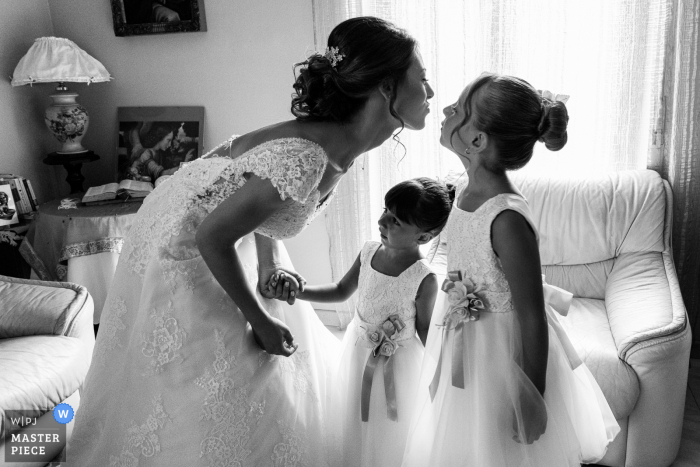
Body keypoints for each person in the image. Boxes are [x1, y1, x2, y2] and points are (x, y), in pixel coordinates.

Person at [67, 16, 434, 467]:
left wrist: (268, 264)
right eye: (423, 79)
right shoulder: (308, 156)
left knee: (266, 348)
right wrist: (258, 321)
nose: (431, 94)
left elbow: (256, 199)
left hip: (205, 224)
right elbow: (213, 234)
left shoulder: (341, 143)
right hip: (181, 242)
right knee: (208, 368)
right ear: (386, 88)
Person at [401, 73, 619, 466]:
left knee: (500, 448)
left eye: (458, 108)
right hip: (465, 340)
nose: (447, 110)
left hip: (503, 353)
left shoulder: (505, 217)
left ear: (478, 140)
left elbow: (533, 315)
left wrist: (531, 394)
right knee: (466, 440)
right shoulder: (463, 193)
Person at [270, 177, 451, 467]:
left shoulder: (423, 278)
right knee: (353, 414)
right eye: (385, 211)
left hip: (397, 364)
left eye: (396, 221)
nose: (382, 221)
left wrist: (439, 372)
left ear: (423, 237)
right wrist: (298, 291)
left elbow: (426, 330)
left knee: (390, 424)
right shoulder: (369, 252)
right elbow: (341, 290)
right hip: (357, 351)